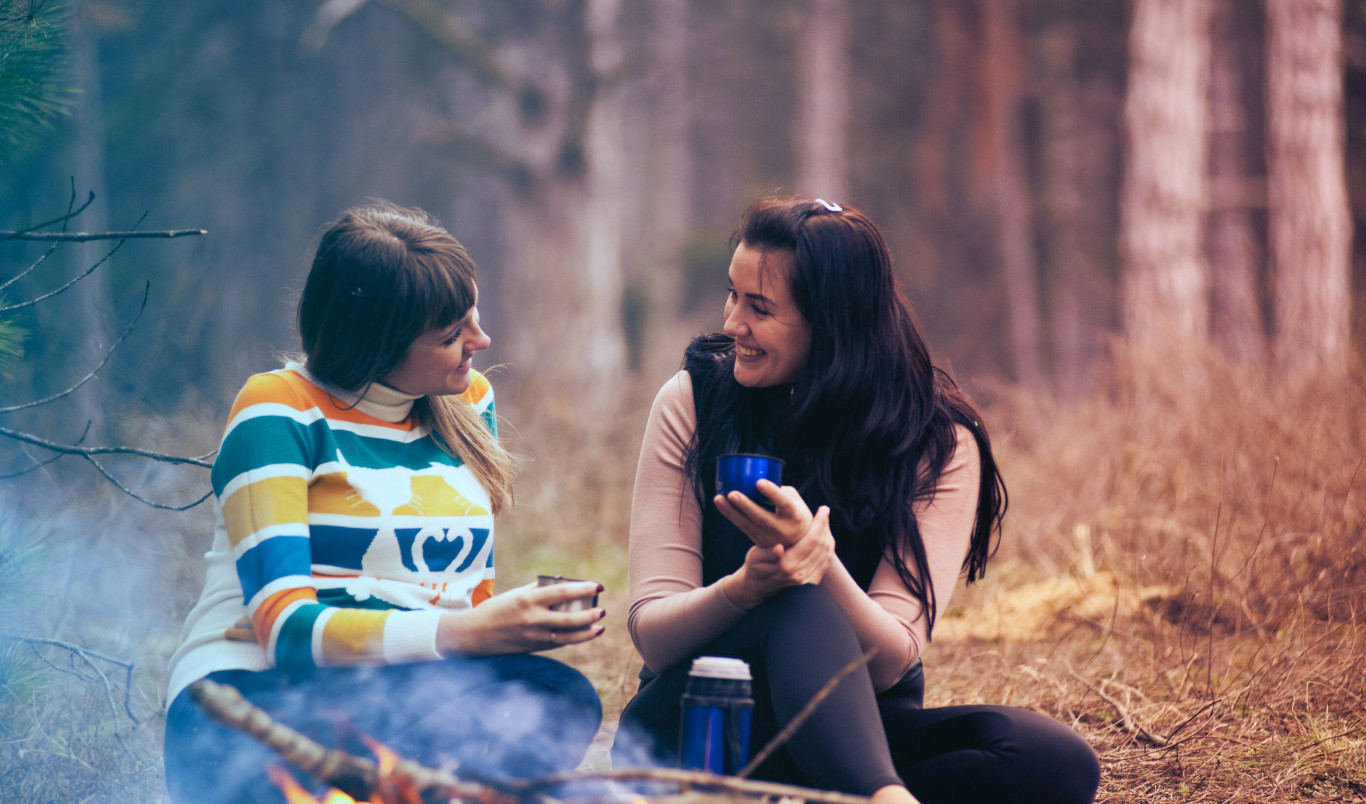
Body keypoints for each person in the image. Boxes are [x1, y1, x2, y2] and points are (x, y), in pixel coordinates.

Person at [613, 196, 1099, 804]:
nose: (733, 323)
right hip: (694, 726)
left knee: (1053, 760)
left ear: (834, 324)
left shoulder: (938, 441)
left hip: (853, 734)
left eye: (759, 308)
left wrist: (822, 565)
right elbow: (654, 636)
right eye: (733, 295)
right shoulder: (692, 402)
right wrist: (747, 588)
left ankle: (853, 790)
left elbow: (892, 660)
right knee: (793, 601)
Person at [164, 203, 605, 804]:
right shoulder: (279, 409)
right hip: (259, 696)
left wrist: (503, 630)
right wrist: (469, 632)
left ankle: (392, 786)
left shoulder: (469, 402)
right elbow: (288, 633)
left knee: (559, 696)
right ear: (376, 344)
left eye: (473, 316)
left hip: (401, 699)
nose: (480, 341)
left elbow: (465, 592)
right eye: (452, 335)